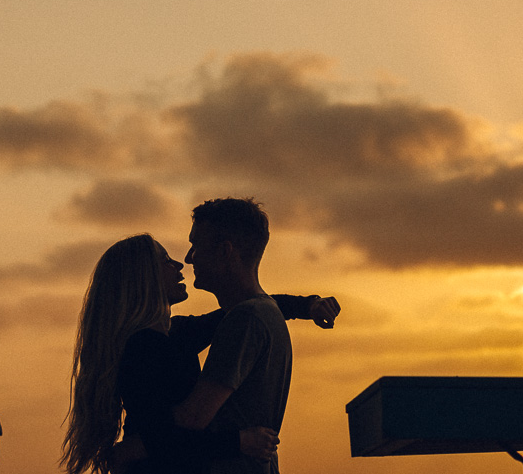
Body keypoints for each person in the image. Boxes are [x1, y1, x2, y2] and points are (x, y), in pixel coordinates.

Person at [60, 232, 337, 474]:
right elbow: (164, 439)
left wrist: (307, 306)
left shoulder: (176, 333)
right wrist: (238, 442)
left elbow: (246, 309)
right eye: (165, 260)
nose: (179, 264)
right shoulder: (141, 349)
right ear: (143, 276)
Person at [171, 197, 338, 474]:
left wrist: (134, 443)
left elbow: (193, 417)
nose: (189, 257)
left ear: (225, 251)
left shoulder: (245, 319)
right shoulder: (262, 313)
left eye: (196, 245)